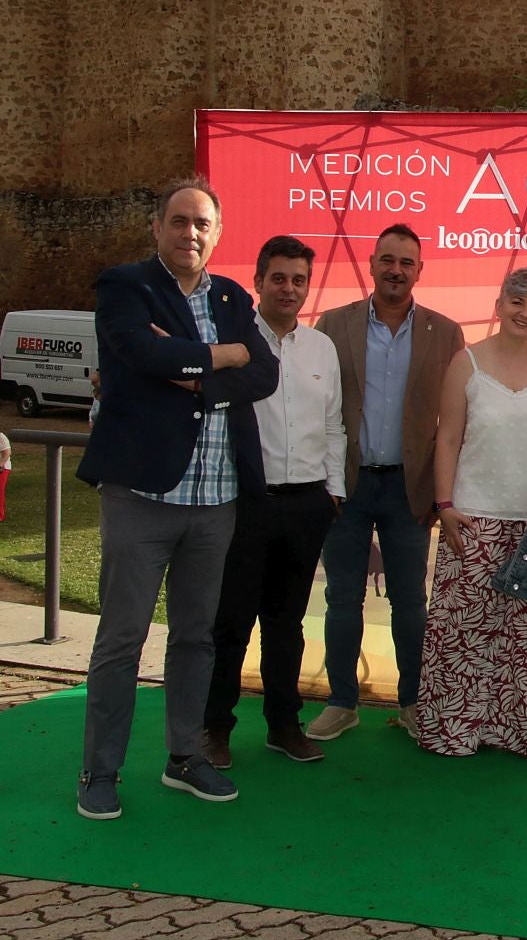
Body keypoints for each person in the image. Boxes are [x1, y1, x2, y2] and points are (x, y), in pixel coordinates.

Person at [73, 177, 277, 820]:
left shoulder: (230, 295)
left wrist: (197, 374)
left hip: (216, 498)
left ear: (217, 235)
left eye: (203, 224)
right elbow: (139, 355)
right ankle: (99, 771)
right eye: (180, 221)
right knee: (123, 637)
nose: (191, 233)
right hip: (141, 494)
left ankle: (184, 757)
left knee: (195, 637)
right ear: (157, 228)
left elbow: (264, 372)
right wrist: (222, 356)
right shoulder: (126, 286)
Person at [311, 225, 466, 742]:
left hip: (410, 489)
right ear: (372, 264)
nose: (396, 270)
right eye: (388, 260)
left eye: (407, 262)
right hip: (347, 488)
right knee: (342, 598)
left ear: (420, 271)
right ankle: (341, 701)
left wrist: (443, 492)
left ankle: (412, 702)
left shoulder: (445, 334)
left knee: (409, 601)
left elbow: (456, 421)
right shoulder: (332, 326)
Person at [420, 267, 527, 759]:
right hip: (471, 518)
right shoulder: (465, 363)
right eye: (516, 302)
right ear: (498, 305)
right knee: (463, 635)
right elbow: (447, 437)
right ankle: (457, 732)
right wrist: (444, 505)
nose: (525, 314)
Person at [202, 235, 346, 769]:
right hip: (246, 503)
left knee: (286, 624)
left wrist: (333, 493)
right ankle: (214, 729)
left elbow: (333, 425)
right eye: (279, 278)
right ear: (258, 282)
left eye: (299, 280)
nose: (289, 288)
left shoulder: (321, 348)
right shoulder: (235, 344)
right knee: (231, 621)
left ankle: (284, 726)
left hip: (307, 504)